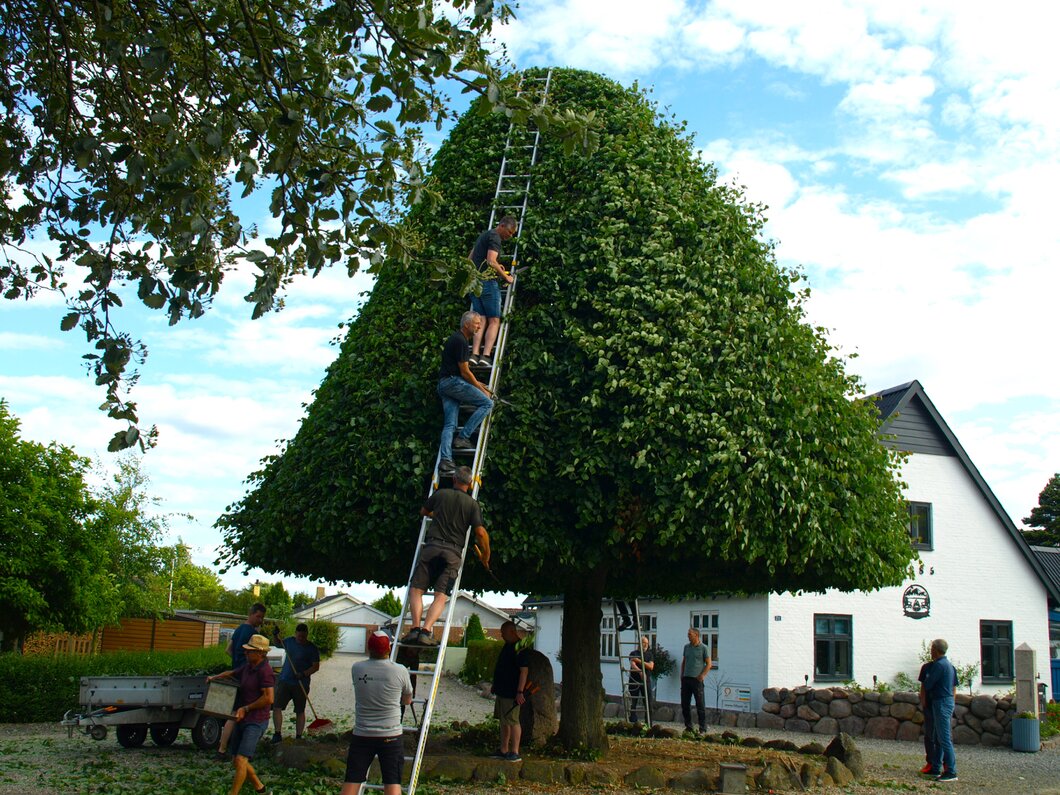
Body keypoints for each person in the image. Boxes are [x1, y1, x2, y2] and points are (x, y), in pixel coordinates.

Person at [402, 465, 490, 646]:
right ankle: (426, 631)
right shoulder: (472, 505)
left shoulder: (440, 494)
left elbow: (423, 512)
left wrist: (437, 514)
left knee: (416, 590)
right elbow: (480, 532)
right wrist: (486, 554)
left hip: (432, 547)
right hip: (452, 553)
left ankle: (415, 628)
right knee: (441, 595)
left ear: (454, 479)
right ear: (470, 483)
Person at [341, 631, 414, 795]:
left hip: (362, 734)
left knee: (352, 780)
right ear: (389, 649)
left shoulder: (357, 668)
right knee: (392, 782)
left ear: (369, 648)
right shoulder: (400, 670)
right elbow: (407, 700)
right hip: (391, 735)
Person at [208, 634, 275, 795]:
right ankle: (260, 787)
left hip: (256, 721)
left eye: (249, 651)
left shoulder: (265, 671)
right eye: (246, 650)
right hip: (242, 719)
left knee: (241, 759)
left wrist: (246, 708)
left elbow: (269, 698)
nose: (246, 653)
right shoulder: (248, 666)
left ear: (260, 653)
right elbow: (231, 673)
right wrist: (214, 677)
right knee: (237, 761)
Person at [436, 311, 493, 476]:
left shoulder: (457, 339)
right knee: (487, 403)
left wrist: (478, 384)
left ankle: (445, 461)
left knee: (449, 425)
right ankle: (463, 437)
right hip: (452, 383)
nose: (479, 327)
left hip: (444, 384)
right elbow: (465, 372)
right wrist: (481, 389)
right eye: (477, 323)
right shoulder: (461, 341)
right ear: (467, 324)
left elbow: (461, 371)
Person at [467, 216, 517, 367]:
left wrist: (496, 266)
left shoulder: (484, 235)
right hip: (487, 282)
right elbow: (490, 261)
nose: (510, 236)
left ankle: (475, 354)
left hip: (473, 282)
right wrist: (506, 277)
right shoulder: (495, 237)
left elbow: (470, 258)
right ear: (502, 226)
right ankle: (486, 355)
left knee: (480, 319)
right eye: (509, 232)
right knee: (494, 320)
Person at [219, 603, 267, 755]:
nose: (260, 620)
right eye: (258, 617)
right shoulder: (252, 634)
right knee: (241, 713)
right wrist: (245, 665)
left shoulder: (239, 629)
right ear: (251, 614)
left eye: (262, 618)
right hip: (247, 677)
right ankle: (227, 748)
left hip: (236, 674)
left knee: (235, 712)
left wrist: (237, 662)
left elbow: (228, 650)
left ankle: (224, 747)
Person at [271, 623, 321, 743]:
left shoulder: (312, 648)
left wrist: (303, 674)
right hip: (285, 681)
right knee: (277, 707)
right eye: (299, 636)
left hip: (301, 684)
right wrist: (275, 635)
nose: (301, 639)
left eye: (303, 637)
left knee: (300, 710)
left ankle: (298, 737)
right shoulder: (289, 641)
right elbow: (278, 643)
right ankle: (277, 734)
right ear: (295, 634)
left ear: (307, 635)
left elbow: (316, 666)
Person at [491, 620, 530, 761]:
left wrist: (520, 692)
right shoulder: (507, 645)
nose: (502, 635)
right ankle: (503, 749)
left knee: (513, 720)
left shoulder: (520, 649)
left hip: (512, 692)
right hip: (502, 690)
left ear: (512, 632)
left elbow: (524, 672)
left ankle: (515, 751)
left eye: (503, 633)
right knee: (504, 721)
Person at [922, 638, 958, 782]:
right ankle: (936, 767)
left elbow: (928, 684)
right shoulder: (948, 665)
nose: (930, 651)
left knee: (944, 738)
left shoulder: (939, 665)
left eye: (932, 649)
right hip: (946, 700)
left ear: (936, 650)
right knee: (939, 736)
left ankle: (951, 771)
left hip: (941, 701)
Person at [680, 627, 712, 732]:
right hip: (686, 678)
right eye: (688, 634)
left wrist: (703, 675)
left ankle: (702, 728)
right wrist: (682, 674)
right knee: (685, 704)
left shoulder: (704, 648)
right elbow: (684, 661)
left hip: (697, 680)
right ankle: (688, 727)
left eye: (690, 634)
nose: (688, 636)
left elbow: (709, 664)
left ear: (696, 635)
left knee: (700, 704)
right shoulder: (686, 647)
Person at [628, 635, 654, 723]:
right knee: (633, 702)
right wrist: (640, 671)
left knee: (648, 702)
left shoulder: (649, 654)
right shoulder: (633, 653)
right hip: (634, 680)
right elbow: (632, 664)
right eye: (644, 642)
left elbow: (651, 666)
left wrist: (639, 661)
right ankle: (633, 722)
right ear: (639, 643)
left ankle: (648, 723)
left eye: (647, 643)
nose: (646, 645)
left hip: (646, 681)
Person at [917, 656, 937, 775]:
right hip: (929, 706)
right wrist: (923, 702)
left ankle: (944, 763)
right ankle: (930, 762)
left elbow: (952, 687)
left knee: (943, 736)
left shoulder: (948, 668)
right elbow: (923, 686)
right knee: (929, 735)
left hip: (941, 705)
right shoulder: (926, 667)